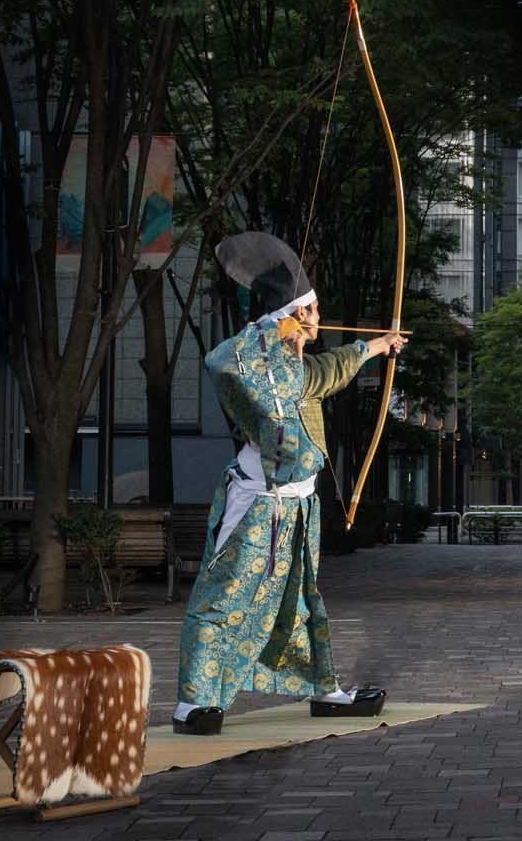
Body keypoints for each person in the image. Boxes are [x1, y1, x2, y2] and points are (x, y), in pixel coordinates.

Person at [172, 232, 405, 734]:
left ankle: (323, 688)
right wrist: (275, 328)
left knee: (301, 600)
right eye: (312, 309)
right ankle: (193, 702)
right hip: (259, 503)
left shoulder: (298, 369)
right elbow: (219, 362)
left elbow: (328, 370)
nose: (319, 318)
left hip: (298, 507)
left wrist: (375, 346)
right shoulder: (253, 358)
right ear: (292, 315)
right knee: (224, 597)